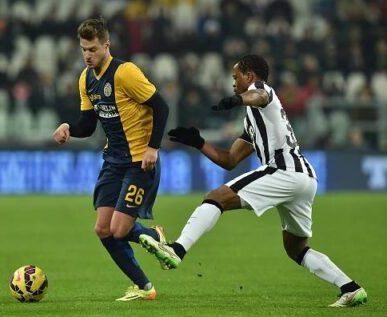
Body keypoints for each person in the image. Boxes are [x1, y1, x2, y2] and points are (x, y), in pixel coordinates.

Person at [139, 55, 367, 308]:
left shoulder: (263, 92)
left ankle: (177, 250)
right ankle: (350, 288)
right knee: (296, 248)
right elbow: (230, 159)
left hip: (283, 170)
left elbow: (258, 95)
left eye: (236, 77)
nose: (233, 82)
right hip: (304, 179)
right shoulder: (253, 119)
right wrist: (199, 143)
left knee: (215, 197)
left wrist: (238, 99)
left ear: (250, 76)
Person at [52, 17, 169, 301]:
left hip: (141, 160)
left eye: (92, 49)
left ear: (106, 45)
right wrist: (69, 128)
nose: (88, 55)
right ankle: (145, 288)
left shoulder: (125, 72)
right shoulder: (86, 79)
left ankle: (154, 236)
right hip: (113, 161)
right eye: (83, 49)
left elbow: (161, 106)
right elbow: (88, 124)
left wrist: (153, 148)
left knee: (119, 229)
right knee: (103, 229)